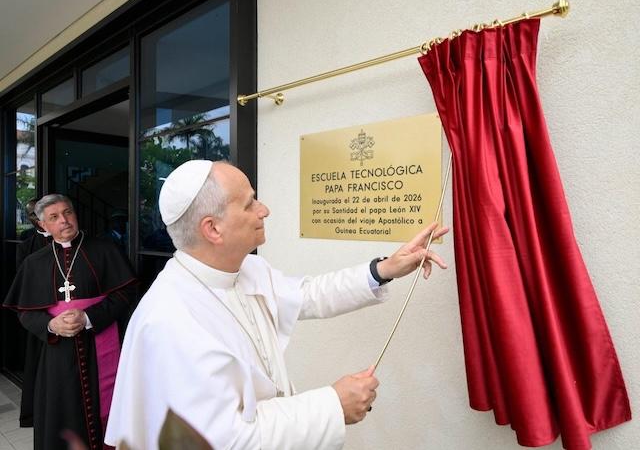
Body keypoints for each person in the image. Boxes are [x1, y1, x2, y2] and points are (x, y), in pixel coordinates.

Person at [105, 160, 448, 449]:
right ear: (213, 229)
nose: (264, 210)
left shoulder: (248, 268)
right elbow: (224, 441)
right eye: (249, 203)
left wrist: (385, 269)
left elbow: (309, 294)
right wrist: (332, 405)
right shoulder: (169, 320)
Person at [3, 194, 137, 450]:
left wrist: (89, 317)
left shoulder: (105, 250)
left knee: (108, 409)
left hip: (102, 344)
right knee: (62, 412)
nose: (64, 220)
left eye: (68, 213)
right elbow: (24, 312)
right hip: (57, 354)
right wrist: (51, 325)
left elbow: (126, 292)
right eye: (54, 217)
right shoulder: (34, 262)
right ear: (42, 225)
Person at [13, 197, 51, 429]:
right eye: (32, 215)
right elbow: (24, 279)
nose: (36, 218)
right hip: (42, 314)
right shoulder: (26, 243)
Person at [16, 197, 51, 266]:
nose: (39, 216)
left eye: (41, 211)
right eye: (33, 214)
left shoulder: (67, 234)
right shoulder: (24, 247)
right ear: (28, 218)